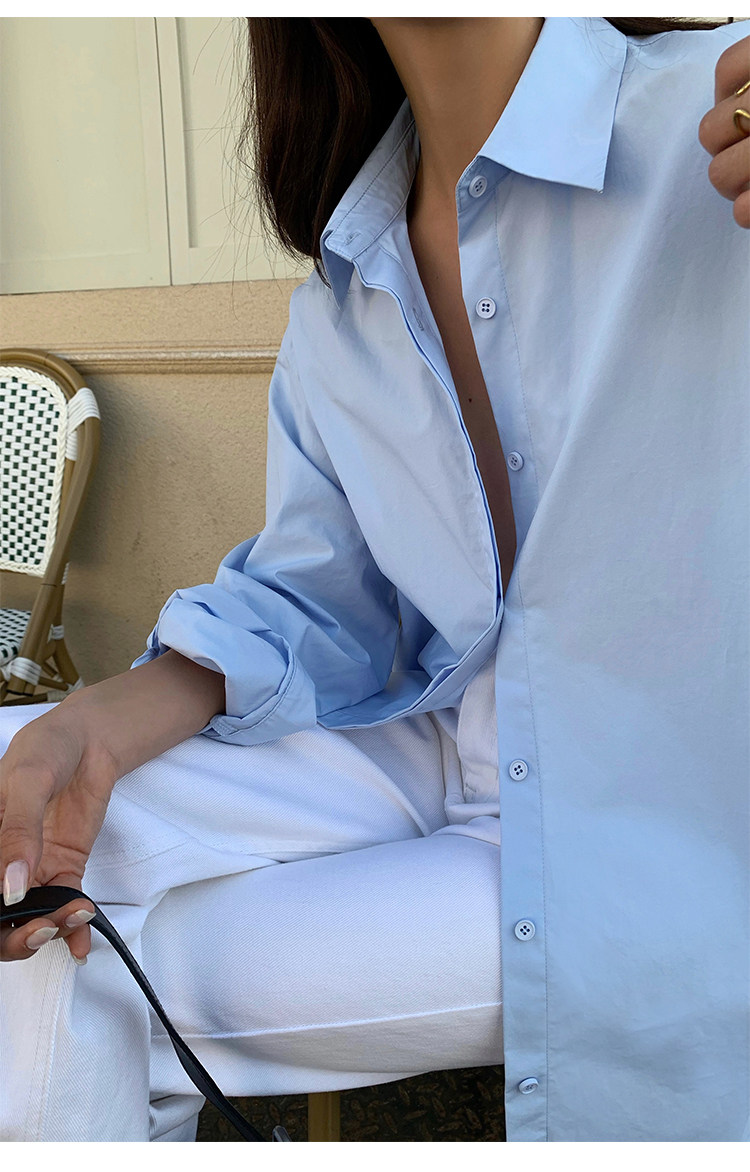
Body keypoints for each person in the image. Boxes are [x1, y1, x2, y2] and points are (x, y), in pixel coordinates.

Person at [1, 16, 749, 1143]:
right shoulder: (349, 278)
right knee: (21, 834)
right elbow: (325, 593)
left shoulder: (721, 118)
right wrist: (88, 725)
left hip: (660, 818)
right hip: (429, 738)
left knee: (73, 960)